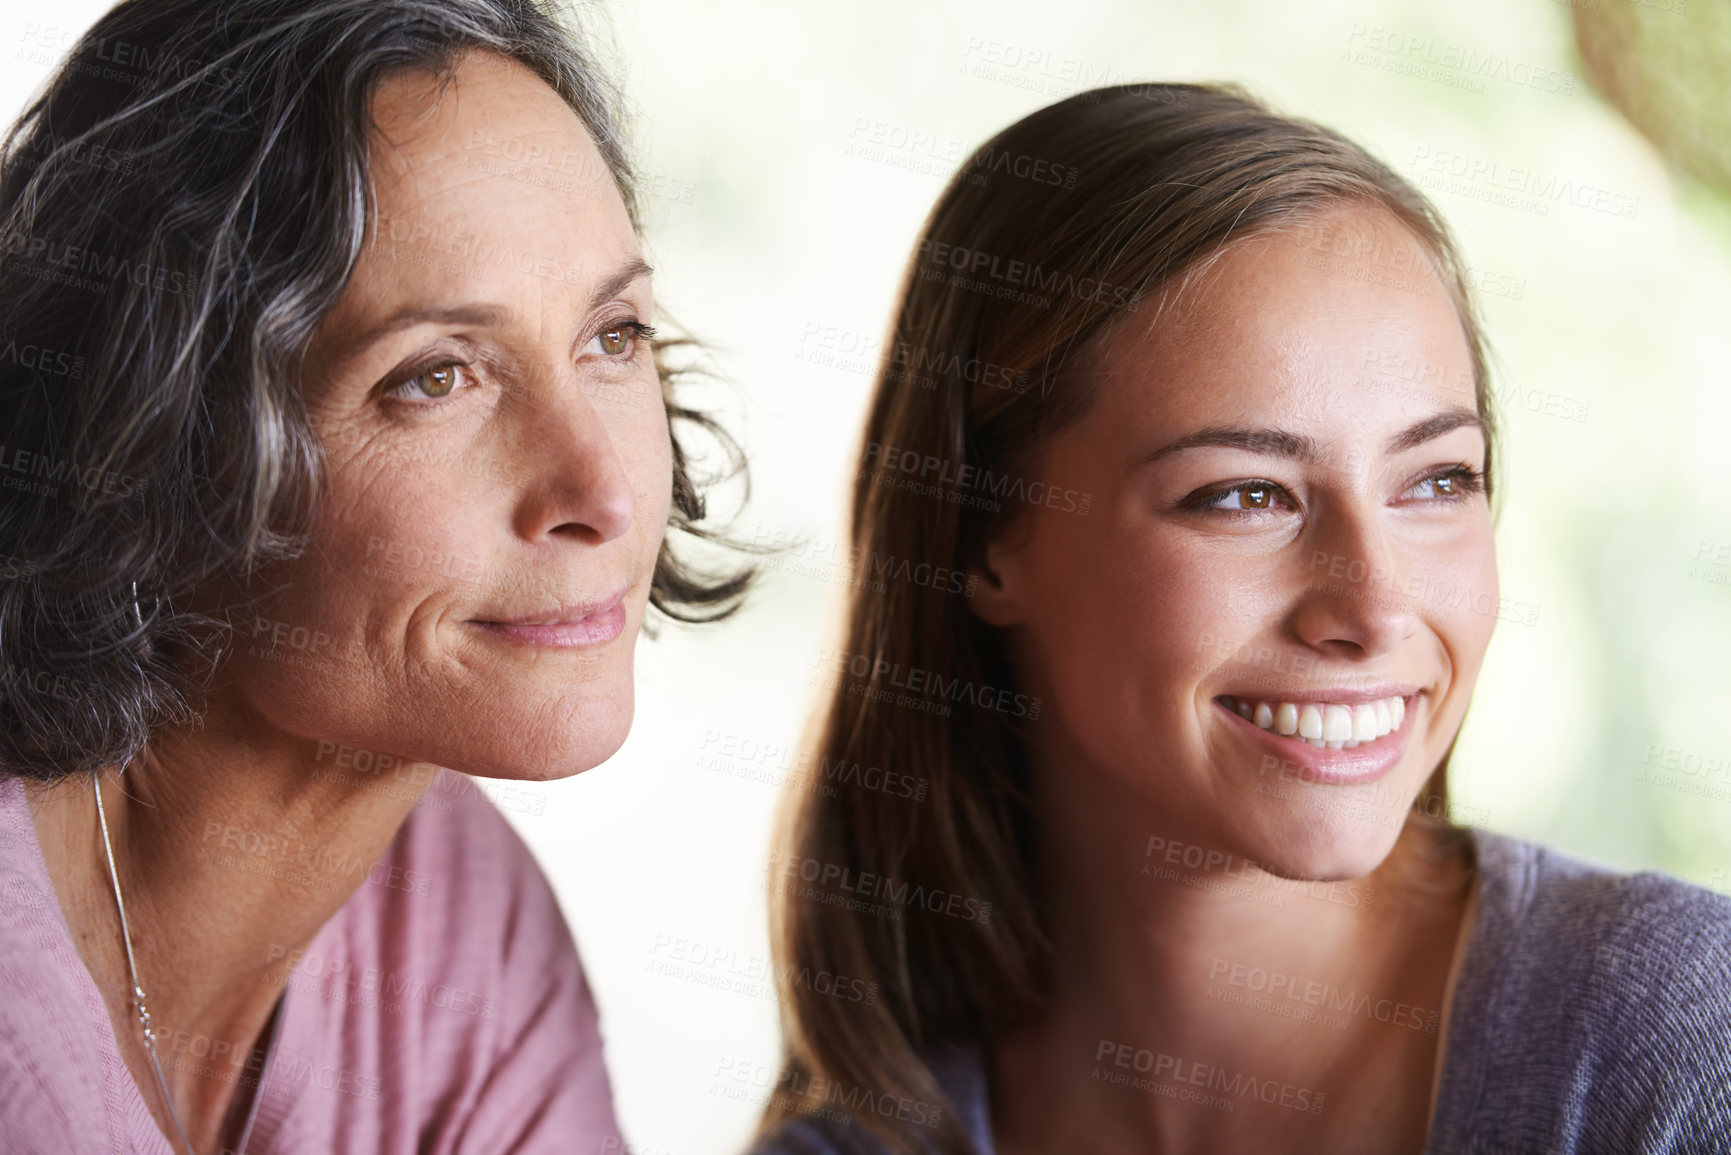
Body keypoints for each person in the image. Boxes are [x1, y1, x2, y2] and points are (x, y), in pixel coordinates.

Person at [750, 83, 1731, 1154]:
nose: (1375, 605)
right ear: (985, 536)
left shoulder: (1675, 1046)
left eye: (1437, 480)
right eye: (1244, 495)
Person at [0, 1, 747, 1152]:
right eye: (438, 376)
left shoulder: (463, 933)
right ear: (157, 442)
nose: (602, 494)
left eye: (612, 335)